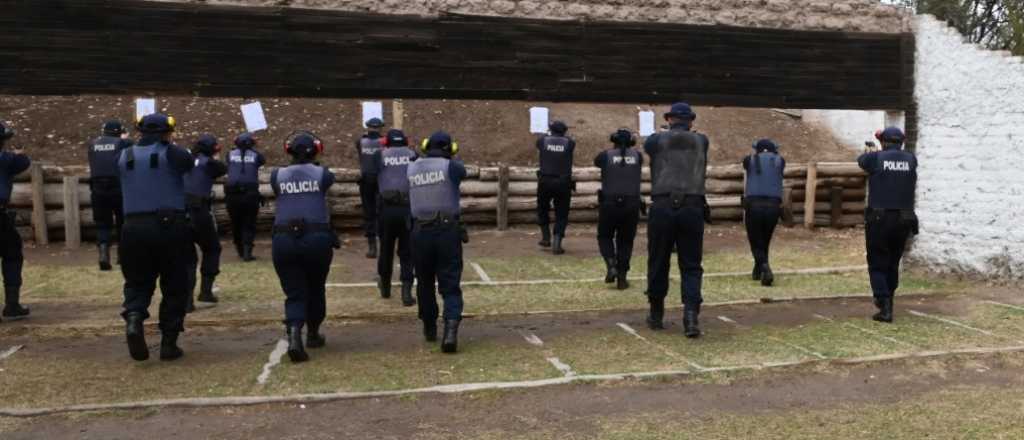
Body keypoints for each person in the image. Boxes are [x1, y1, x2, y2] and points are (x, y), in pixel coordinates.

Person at [117, 113, 194, 361]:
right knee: (175, 284)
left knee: (137, 282)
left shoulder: (124, 155)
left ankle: (134, 318)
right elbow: (187, 163)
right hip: (168, 226)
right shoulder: (172, 152)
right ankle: (169, 343)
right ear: (166, 132)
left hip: (132, 228)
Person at [643, 103, 709, 338]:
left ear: (670, 119)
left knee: (658, 259)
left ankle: (656, 313)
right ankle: (691, 316)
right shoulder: (702, 140)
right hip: (692, 206)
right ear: (690, 121)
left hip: (662, 205)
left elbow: (652, 145)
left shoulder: (655, 141)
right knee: (691, 264)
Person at [271, 131, 337, 363]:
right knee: (316, 287)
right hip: (316, 237)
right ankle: (312, 333)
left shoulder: (276, 175)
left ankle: (294, 331)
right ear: (317, 149)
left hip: (284, 239)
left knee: (295, 291)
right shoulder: (323, 174)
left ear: (288, 150)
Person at [408, 131, 467, 353]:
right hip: (446, 231)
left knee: (424, 282)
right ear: (450, 149)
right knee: (450, 283)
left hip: (420, 231)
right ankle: (450, 330)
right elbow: (461, 171)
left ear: (425, 145)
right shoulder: (452, 167)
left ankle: (429, 327)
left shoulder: (411, 167)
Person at [858, 127, 918, 323]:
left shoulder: (875, 158)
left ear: (883, 142)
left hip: (880, 219)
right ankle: (888, 302)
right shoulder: (911, 159)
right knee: (893, 262)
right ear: (901, 141)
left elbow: (861, 162)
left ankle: (882, 302)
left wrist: (872, 151)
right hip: (904, 220)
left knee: (877, 261)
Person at [594, 129, 643, 291]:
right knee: (626, 241)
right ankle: (622, 277)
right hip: (631, 204)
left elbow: (597, 162)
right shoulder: (638, 156)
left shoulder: (604, 156)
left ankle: (611, 264)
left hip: (609, 203)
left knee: (604, 236)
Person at [183, 134, 228, 312]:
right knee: (212, 249)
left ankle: (187, 301)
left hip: (179, 211)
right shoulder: (209, 163)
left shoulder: (184, 159)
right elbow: (222, 168)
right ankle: (206, 291)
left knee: (187, 258)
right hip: (199, 211)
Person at [373, 129, 417, 306]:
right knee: (407, 252)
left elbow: (369, 177)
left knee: (385, 249)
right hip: (408, 208)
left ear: (386, 142)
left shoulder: (379, 155)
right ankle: (406, 292)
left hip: (386, 209)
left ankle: (385, 287)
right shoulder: (413, 154)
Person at [87, 120, 131, 271]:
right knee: (123, 221)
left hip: (97, 188)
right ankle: (123, 255)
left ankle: (104, 254)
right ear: (118, 132)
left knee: (102, 223)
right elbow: (132, 154)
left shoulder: (92, 144)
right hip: (118, 187)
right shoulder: (123, 143)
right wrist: (125, 139)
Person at [742, 139, 785, 287]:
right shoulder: (780, 160)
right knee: (764, 239)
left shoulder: (749, 160)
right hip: (773, 206)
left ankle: (764, 266)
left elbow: (747, 164)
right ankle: (758, 269)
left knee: (755, 240)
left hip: (754, 205)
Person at [0, 121, 30, 322]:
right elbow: (24, 162)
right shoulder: (7, 159)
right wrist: (19, 152)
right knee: (12, 255)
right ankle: (12, 305)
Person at [535, 120, 575, 255]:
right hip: (563, 182)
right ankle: (557, 243)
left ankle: (546, 238)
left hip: (545, 181)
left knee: (542, 209)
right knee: (562, 213)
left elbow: (539, 142)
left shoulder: (543, 141)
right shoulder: (569, 142)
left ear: (551, 130)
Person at [224, 132, 265, 262]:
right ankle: (247, 252)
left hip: (232, 195)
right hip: (250, 194)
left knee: (236, 223)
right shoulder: (256, 155)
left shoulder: (229, 155)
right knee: (249, 223)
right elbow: (261, 160)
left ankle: (240, 249)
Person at [356, 118, 385, 259]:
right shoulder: (385, 143)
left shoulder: (360, 141)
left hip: (367, 179)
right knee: (380, 211)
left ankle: (372, 246)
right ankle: (381, 243)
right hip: (381, 179)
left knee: (369, 213)